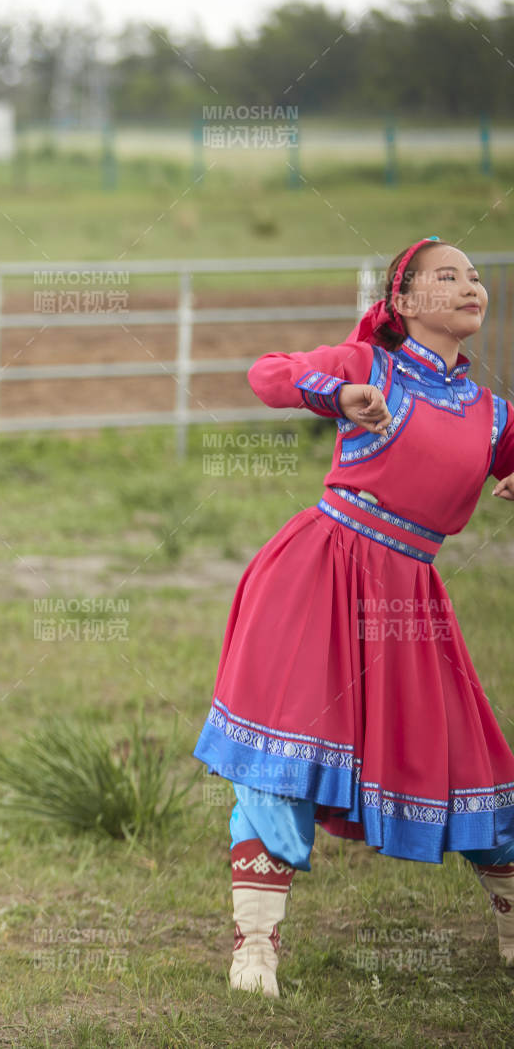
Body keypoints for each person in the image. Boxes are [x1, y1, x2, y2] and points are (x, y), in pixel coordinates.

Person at [193, 238, 514, 997]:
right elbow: (267, 373)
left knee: (476, 765)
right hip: (322, 571)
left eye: (474, 276)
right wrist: (334, 396)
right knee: (284, 753)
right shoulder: (369, 364)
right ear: (403, 301)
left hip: (411, 600)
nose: (470, 285)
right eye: (448, 276)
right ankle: (256, 949)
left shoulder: (490, 413)